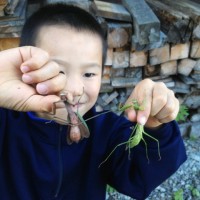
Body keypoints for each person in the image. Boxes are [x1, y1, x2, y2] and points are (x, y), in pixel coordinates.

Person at [0, 3, 186, 200]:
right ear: (25, 70)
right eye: (58, 71)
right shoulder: (5, 121)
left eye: (88, 73)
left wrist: (155, 124)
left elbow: (140, 178)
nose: (74, 89)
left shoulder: (107, 131)